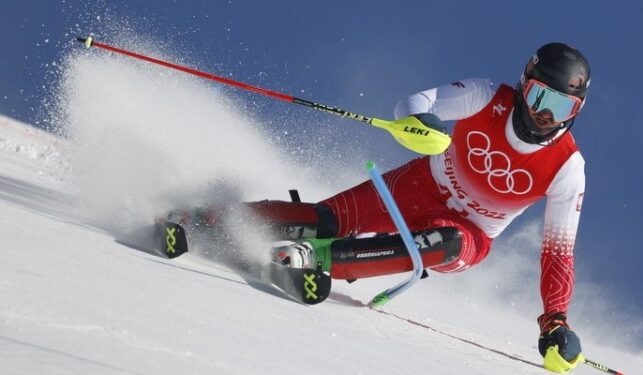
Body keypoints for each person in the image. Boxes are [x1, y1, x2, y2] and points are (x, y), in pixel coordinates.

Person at [180, 42, 590, 372]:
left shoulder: (567, 169)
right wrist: (419, 125)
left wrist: (554, 319)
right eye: (539, 97)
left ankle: (316, 261)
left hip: (472, 234)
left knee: (442, 243)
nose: (543, 116)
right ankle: (206, 217)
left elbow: (558, 253)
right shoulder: (485, 97)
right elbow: (416, 103)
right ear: (524, 84)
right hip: (418, 185)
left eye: (561, 108)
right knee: (324, 220)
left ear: (575, 112)